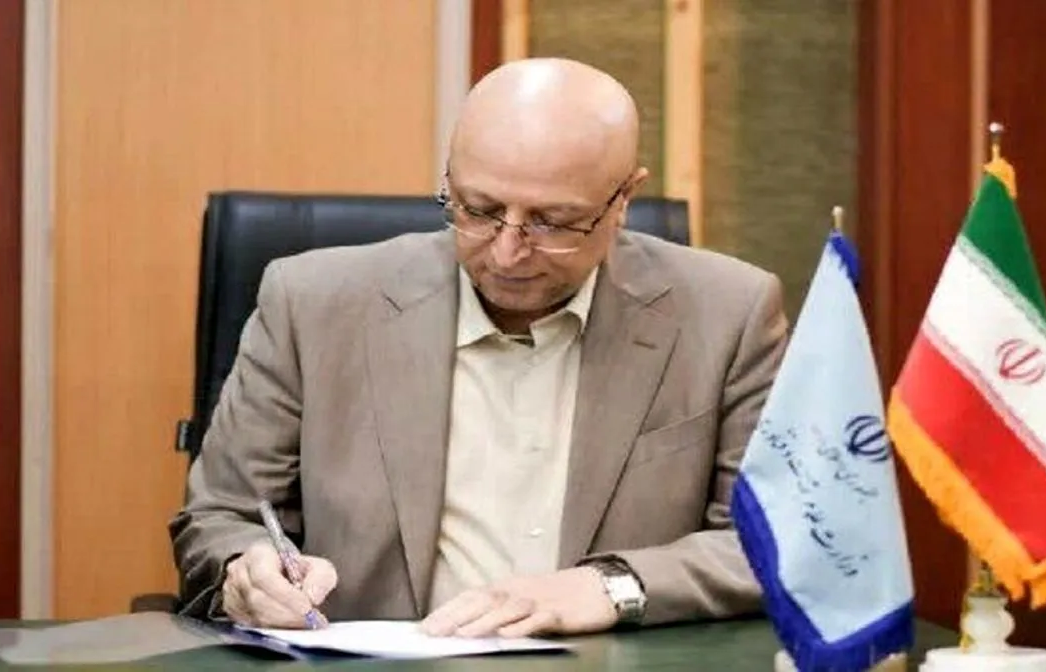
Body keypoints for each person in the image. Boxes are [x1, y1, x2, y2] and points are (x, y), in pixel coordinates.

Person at [169, 57, 789, 638]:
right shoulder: (312, 304)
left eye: (551, 222)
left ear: (623, 198)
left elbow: (774, 540)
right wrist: (245, 572)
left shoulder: (728, 315)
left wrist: (612, 586)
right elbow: (221, 519)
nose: (507, 252)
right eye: (479, 209)